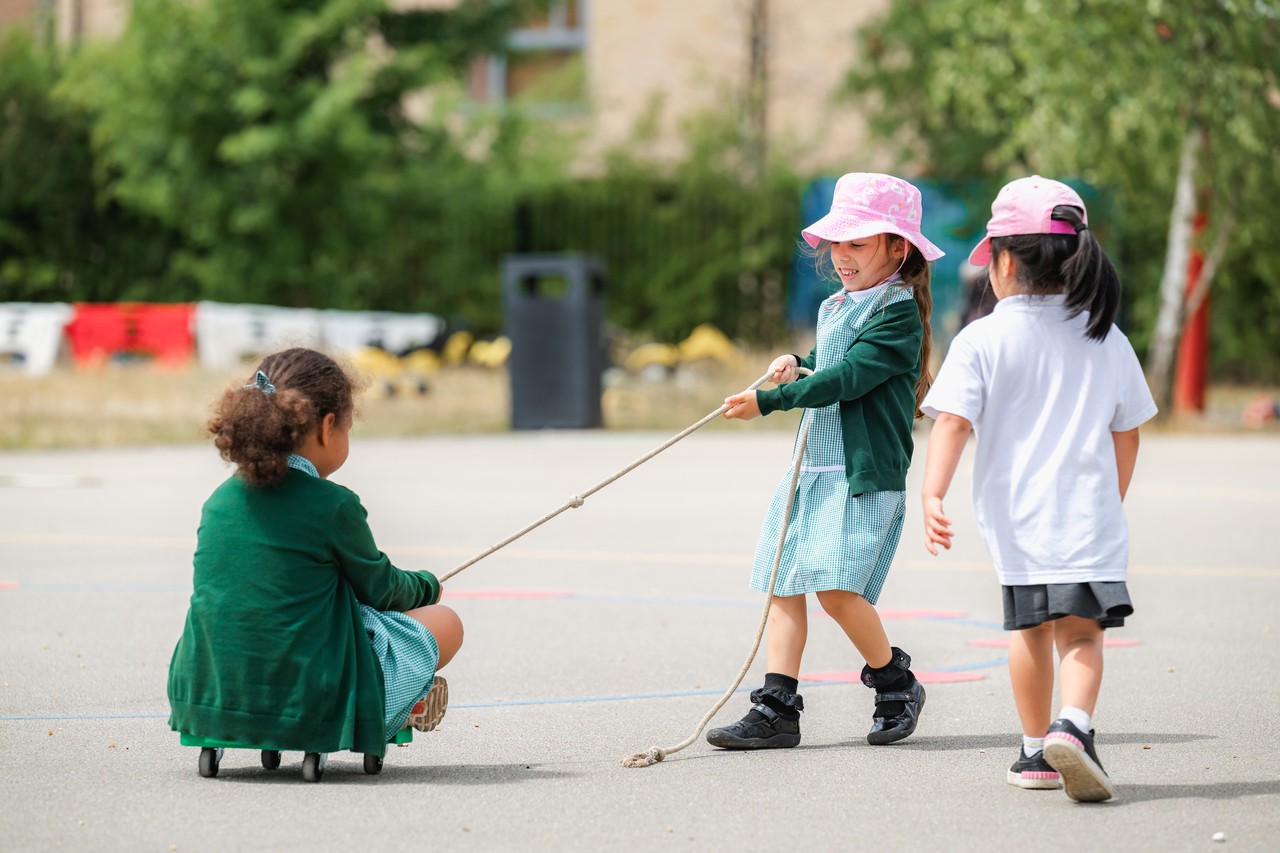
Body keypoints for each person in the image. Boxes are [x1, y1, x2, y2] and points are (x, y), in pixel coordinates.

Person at [919, 176, 1157, 802]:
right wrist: (1112, 498)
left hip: (1019, 524)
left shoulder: (982, 338)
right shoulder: (1106, 336)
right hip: (1090, 518)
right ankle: (1073, 727)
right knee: (1082, 635)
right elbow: (1126, 434)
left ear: (999, 261)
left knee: (1030, 634)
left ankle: (1034, 752)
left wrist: (932, 495)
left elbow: (952, 422)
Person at [705, 172, 944, 750]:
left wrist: (772, 400)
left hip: (859, 475)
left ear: (897, 248)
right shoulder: (841, 303)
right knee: (783, 582)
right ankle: (776, 708)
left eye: (857, 243)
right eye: (837, 242)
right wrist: (796, 361)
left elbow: (849, 376)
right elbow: (828, 360)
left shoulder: (898, 313)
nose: (841, 255)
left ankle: (895, 683)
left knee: (837, 589)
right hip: (812, 469)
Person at [168, 347, 464, 760]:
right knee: (446, 623)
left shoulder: (219, 500)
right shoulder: (332, 505)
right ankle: (397, 702)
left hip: (206, 692)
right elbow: (381, 590)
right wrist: (427, 585)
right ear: (327, 427)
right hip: (310, 696)